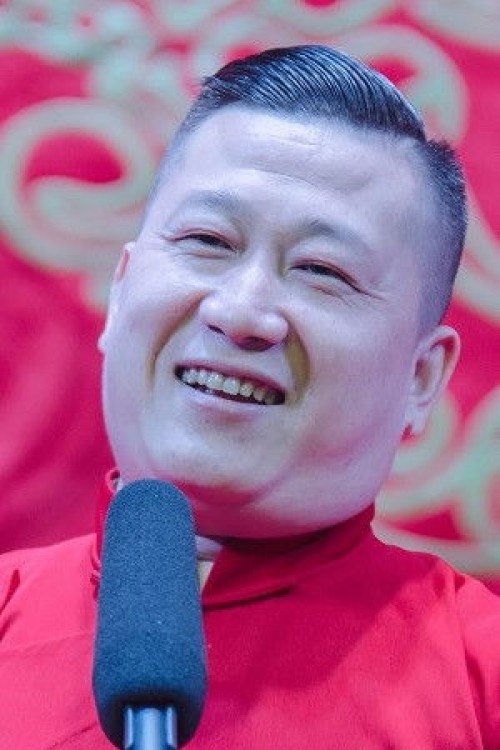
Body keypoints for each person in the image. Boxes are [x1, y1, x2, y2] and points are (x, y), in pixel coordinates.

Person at [1, 44, 499, 749]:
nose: (241, 313)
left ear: (422, 377)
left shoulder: (480, 676)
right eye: (208, 240)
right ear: (121, 293)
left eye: (323, 271)